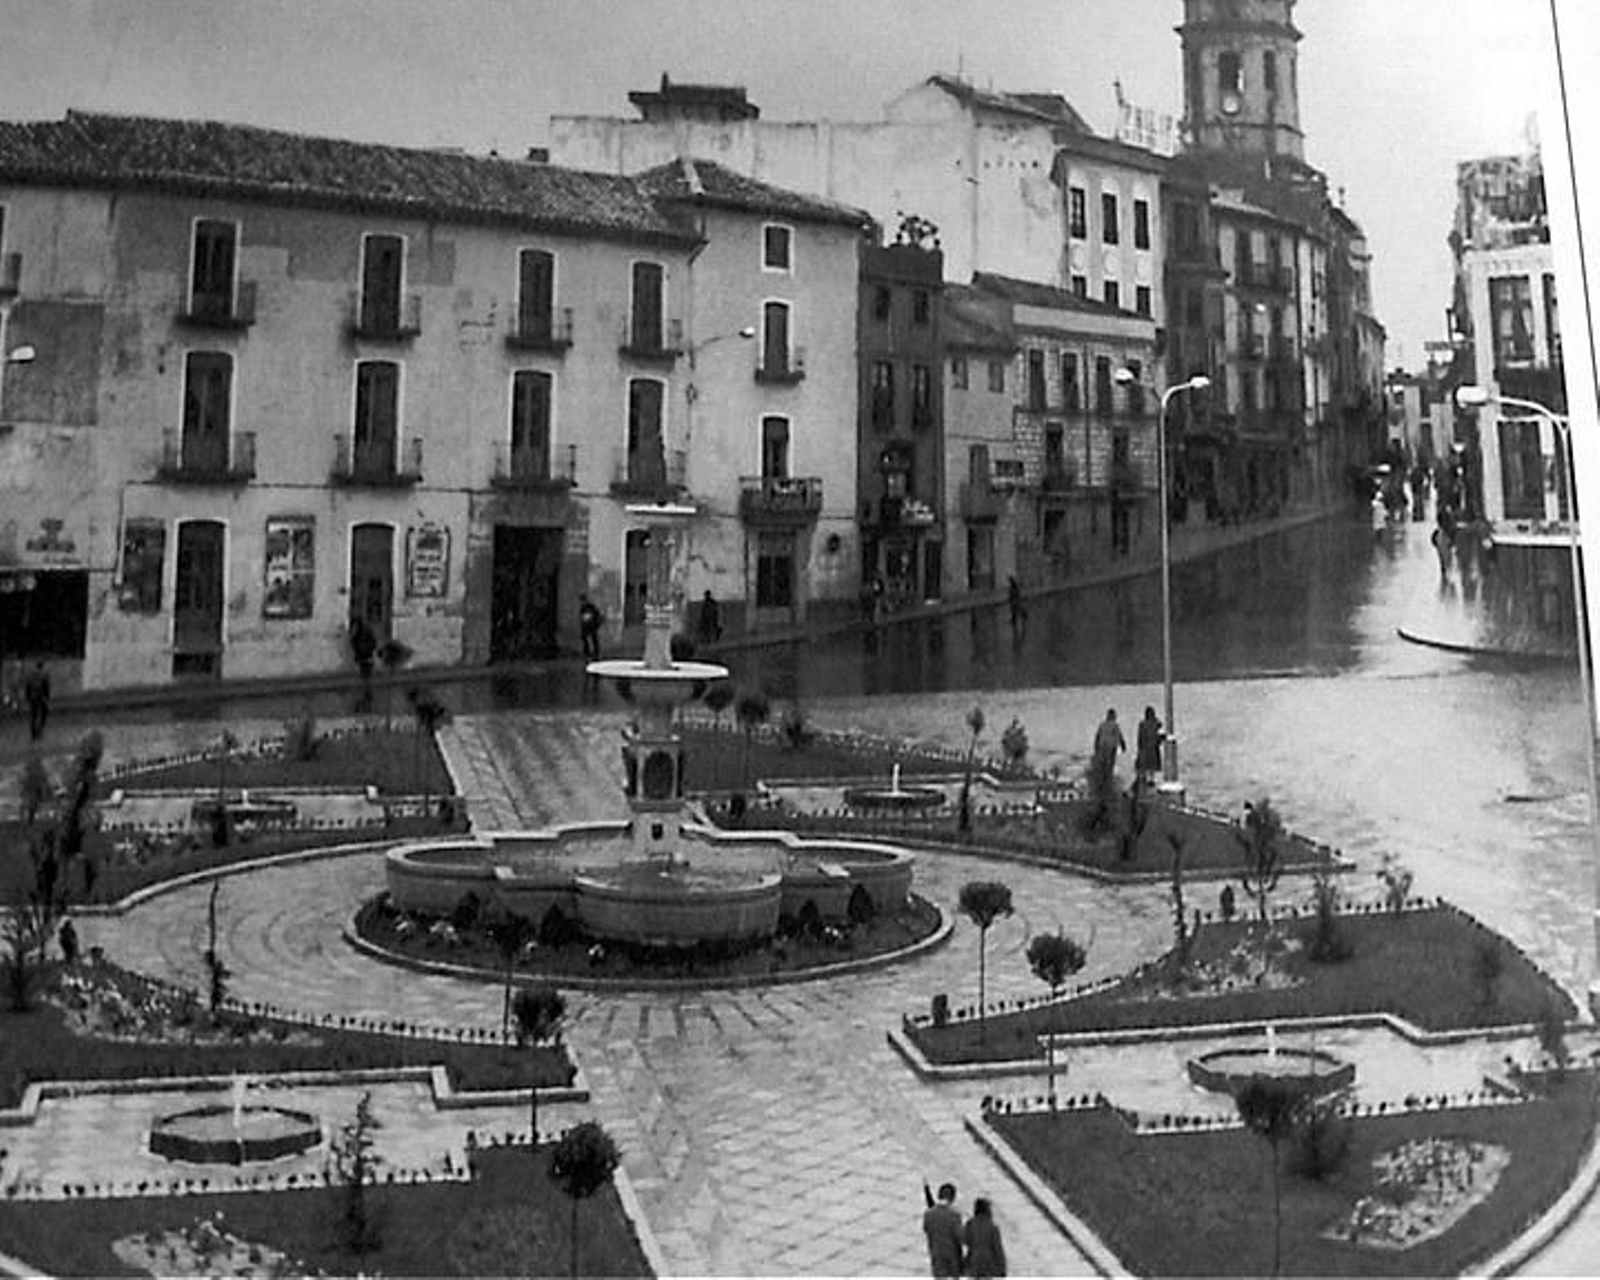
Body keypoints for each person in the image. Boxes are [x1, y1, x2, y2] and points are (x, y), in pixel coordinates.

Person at [922, 1182, 964, 1279]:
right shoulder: (955, 1215)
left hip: (936, 1252)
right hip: (952, 1255)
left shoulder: (928, 1214)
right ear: (953, 1197)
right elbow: (960, 1236)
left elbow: (926, 1229)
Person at [962, 1197, 1007, 1279]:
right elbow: (998, 1249)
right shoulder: (992, 1226)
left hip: (973, 1263)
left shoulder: (970, 1224)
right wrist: (1002, 1268)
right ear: (986, 1210)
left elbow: (965, 1240)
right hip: (988, 1264)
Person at [1135, 706, 1163, 790]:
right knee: (1152, 766)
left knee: (1145, 764)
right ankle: (1151, 780)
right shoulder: (1156, 724)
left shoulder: (1142, 724)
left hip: (1144, 748)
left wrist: (1139, 747)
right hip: (1154, 748)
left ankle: (1144, 780)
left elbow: (1140, 738)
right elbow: (1159, 734)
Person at [22, 661, 50, 742]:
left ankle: (33, 735)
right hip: (41, 698)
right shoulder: (44, 675)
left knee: (33, 716)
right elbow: (46, 687)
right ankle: (40, 729)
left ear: (36, 666)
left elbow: (27, 687)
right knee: (44, 713)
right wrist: (47, 697)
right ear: (42, 666)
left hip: (33, 698)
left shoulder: (30, 675)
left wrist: (27, 697)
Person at [348, 616, 376, 683]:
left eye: (355, 625)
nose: (354, 628)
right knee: (363, 675)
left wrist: (369, 651)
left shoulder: (366, 631)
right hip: (362, 656)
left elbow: (373, 642)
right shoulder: (356, 633)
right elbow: (353, 644)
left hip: (366, 656)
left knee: (367, 675)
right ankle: (366, 687)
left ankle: (368, 688)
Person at [578, 594, 603, 660]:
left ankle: (596, 654)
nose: (582, 602)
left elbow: (596, 615)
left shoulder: (591, 607)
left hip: (592, 626)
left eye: (583, 600)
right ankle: (587, 653)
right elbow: (583, 618)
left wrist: (591, 619)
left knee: (594, 639)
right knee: (585, 639)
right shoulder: (583, 608)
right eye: (581, 601)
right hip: (586, 626)